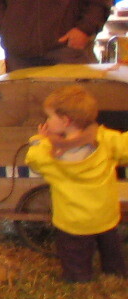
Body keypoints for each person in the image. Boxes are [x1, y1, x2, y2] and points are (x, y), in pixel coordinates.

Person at [24, 84, 128, 283]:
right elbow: (125, 145)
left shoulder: (52, 156)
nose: (47, 121)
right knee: (111, 248)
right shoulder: (105, 139)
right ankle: (115, 272)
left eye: (50, 117)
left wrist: (39, 140)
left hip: (74, 222)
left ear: (65, 121)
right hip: (104, 216)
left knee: (74, 254)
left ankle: (79, 278)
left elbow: (34, 160)